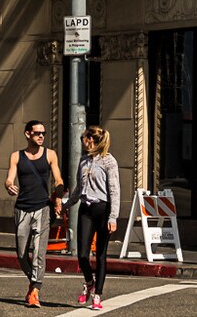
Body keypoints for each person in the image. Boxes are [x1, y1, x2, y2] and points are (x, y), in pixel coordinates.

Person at [5, 120, 64, 307]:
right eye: (37, 133)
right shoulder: (16, 156)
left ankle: (35, 291)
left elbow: (58, 178)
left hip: (42, 208)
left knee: (39, 252)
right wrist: (8, 186)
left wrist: (58, 197)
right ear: (27, 134)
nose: (41, 136)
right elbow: (9, 178)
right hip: (22, 208)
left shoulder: (50, 154)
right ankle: (34, 281)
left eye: (43, 133)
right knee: (22, 254)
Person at [65, 126, 121, 310]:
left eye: (83, 138)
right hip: (86, 209)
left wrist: (113, 217)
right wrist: (65, 205)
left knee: (101, 254)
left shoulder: (108, 161)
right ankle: (89, 283)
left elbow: (114, 191)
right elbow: (78, 190)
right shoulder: (83, 161)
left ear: (90, 139)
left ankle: (97, 294)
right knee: (82, 254)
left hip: (102, 209)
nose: (82, 141)